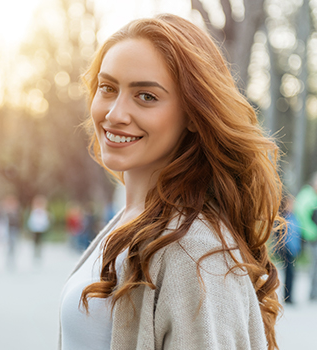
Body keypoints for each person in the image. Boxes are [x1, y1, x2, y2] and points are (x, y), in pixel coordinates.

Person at [59, 14, 283, 350]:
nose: (115, 114)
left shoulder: (193, 250)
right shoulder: (133, 218)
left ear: (194, 115)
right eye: (108, 88)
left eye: (146, 96)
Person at [294, 171, 317, 300]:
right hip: (311, 237)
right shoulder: (307, 196)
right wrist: (312, 233)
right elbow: (302, 218)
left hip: (312, 235)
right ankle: (313, 293)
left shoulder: (312, 196)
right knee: (314, 266)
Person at [277, 196, 301, 304]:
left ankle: (290, 295)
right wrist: (282, 248)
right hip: (286, 249)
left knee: (293, 274)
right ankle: (287, 297)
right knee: (288, 273)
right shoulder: (282, 218)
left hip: (294, 249)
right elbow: (278, 235)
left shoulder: (294, 217)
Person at [27, 195, 50, 262]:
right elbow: (31, 221)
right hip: (35, 230)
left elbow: (46, 221)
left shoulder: (44, 212)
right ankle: (35, 254)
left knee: (40, 242)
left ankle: (39, 254)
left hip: (41, 229)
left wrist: (44, 226)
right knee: (35, 242)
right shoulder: (34, 212)